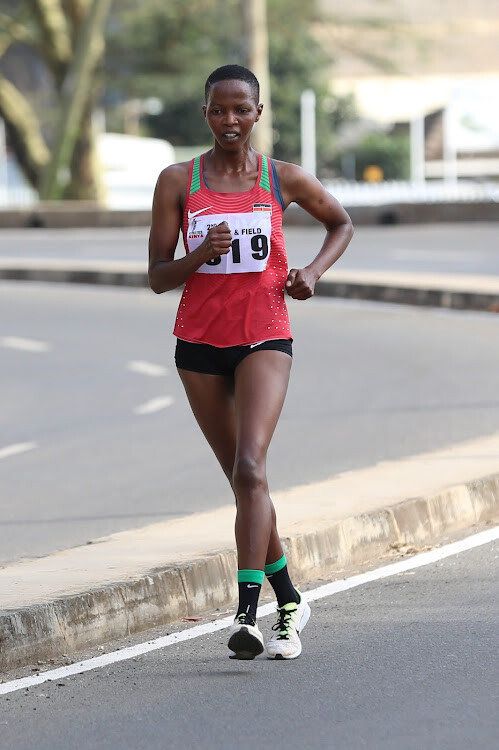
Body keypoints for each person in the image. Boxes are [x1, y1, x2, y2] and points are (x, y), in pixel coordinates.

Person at [148, 64, 353, 660]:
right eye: (219, 109)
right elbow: (157, 275)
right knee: (244, 482)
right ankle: (290, 600)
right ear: (205, 113)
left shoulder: (282, 177)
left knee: (250, 465)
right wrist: (199, 254)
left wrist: (312, 272)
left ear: (258, 113)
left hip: (264, 335)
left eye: (241, 109)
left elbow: (340, 223)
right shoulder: (177, 181)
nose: (230, 120)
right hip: (199, 344)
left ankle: (246, 615)